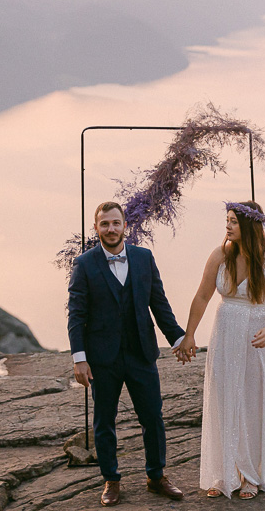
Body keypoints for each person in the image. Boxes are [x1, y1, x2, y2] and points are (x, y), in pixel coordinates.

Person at [68, 201, 189, 507]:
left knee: (153, 417)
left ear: (125, 226)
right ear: (96, 228)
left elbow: (159, 303)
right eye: (104, 224)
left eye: (115, 223)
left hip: (140, 354)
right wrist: (79, 358)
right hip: (102, 359)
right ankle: (111, 480)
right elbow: (76, 315)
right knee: (104, 421)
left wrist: (178, 339)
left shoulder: (144, 258)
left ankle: (156, 476)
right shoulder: (84, 264)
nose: (110, 229)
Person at [175, 200, 265, 499]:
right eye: (226, 220)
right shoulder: (220, 255)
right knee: (223, 399)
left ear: (249, 226)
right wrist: (188, 335)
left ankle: (253, 475)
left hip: (257, 340)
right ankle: (224, 473)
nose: (227, 226)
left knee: (253, 403)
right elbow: (203, 296)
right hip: (225, 336)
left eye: (233, 221)